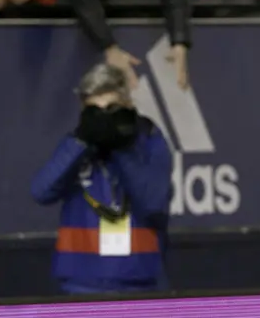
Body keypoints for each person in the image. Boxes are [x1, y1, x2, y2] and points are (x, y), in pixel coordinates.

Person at [31, 63, 172, 294]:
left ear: (129, 104)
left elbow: (153, 202)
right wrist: (81, 140)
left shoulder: (150, 143)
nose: (105, 120)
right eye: (95, 112)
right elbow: (41, 191)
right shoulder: (76, 147)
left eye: (113, 109)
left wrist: (121, 147)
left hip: (139, 284)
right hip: (80, 284)